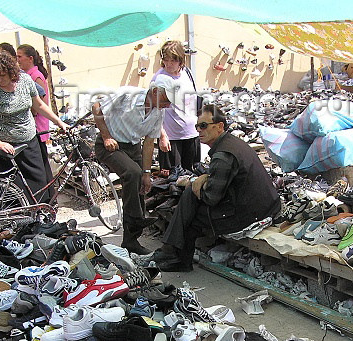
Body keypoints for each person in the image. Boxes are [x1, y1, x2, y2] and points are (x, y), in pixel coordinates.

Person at [153, 104, 281, 272]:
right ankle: (172, 252)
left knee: (190, 213)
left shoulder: (223, 155)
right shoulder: (230, 143)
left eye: (204, 126)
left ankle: (175, 255)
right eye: (197, 126)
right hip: (264, 206)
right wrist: (204, 177)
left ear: (219, 126)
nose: (199, 130)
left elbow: (211, 198)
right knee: (190, 199)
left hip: (250, 215)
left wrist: (195, 184)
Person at [92, 75, 181, 254]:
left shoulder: (158, 112)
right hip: (111, 145)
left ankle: (131, 241)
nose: (168, 105)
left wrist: (147, 173)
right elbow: (96, 108)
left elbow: (148, 143)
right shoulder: (128, 95)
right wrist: (106, 136)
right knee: (132, 173)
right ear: (155, 92)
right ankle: (137, 218)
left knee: (140, 183)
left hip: (133, 147)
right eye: (166, 100)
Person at [0, 51, 66, 197]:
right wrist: (0, 144)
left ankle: (41, 216)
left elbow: (39, 105)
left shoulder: (25, 81)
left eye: (2, 75)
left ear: (11, 72)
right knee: (14, 190)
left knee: (39, 182)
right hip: (6, 146)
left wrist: (59, 122)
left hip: (29, 141)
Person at [151, 40, 200, 173]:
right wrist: (162, 136)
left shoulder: (187, 73)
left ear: (180, 60)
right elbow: (153, 110)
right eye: (166, 60)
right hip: (171, 137)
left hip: (192, 133)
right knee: (172, 179)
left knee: (192, 175)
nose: (168, 64)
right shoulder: (159, 78)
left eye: (172, 60)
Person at [17, 44, 54, 196]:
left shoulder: (35, 76)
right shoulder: (26, 75)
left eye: (20, 56)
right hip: (34, 125)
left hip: (38, 124)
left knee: (43, 164)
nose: (17, 60)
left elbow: (40, 102)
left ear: (30, 58)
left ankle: (50, 196)